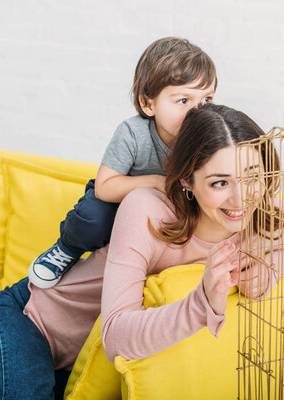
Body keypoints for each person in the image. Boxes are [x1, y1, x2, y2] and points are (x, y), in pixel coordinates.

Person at [0, 104, 284, 399]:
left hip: (88, 365)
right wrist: (202, 304)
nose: (241, 197)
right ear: (186, 181)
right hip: (29, 322)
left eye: (252, 176)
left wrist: (268, 271)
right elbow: (116, 337)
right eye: (219, 182)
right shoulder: (147, 210)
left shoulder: (267, 217)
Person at [28, 36, 217, 288]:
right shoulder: (132, 133)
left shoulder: (208, 136)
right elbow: (105, 187)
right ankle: (66, 248)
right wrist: (155, 182)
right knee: (92, 217)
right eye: (183, 100)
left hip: (164, 210)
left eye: (206, 100)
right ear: (147, 104)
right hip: (117, 202)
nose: (198, 112)